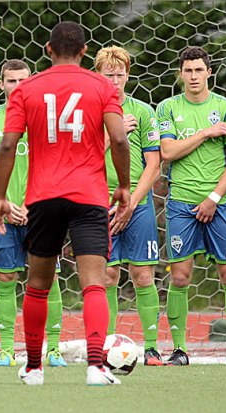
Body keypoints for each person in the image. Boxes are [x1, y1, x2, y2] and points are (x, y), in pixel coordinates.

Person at [0, 21, 132, 386]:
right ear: (85, 52)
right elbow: (119, 140)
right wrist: (124, 187)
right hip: (89, 196)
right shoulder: (102, 86)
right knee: (94, 283)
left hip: (44, 197)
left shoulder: (27, 89)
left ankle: (33, 368)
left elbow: (7, 145)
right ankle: (96, 368)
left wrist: (0, 197)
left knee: (37, 284)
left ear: (48, 49)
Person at [156, 46, 226, 366]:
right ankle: (179, 350)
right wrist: (206, 132)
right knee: (180, 277)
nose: (194, 76)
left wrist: (213, 198)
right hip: (181, 203)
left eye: (199, 70)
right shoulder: (167, 108)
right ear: (180, 74)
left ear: (209, 72)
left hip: (219, 204)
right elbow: (168, 152)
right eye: (188, 70)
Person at [0, 59, 67, 368]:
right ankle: (6, 351)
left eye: (23, 80)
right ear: (1, 84)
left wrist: (35, 205)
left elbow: (56, 164)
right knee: (6, 276)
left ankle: (53, 350)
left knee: (48, 277)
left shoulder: (47, 119)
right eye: (11, 81)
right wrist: (2, 201)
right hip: (4, 213)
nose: (17, 86)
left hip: (41, 212)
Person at [95, 47, 163, 366]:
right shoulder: (89, 112)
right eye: (109, 75)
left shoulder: (144, 111)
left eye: (120, 74)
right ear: (98, 75)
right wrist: (116, 131)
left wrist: (132, 203)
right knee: (107, 275)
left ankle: (152, 347)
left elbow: (154, 165)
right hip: (99, 202)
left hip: (137, 203)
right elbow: (83, 158)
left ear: (128, 75)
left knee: (143, 275)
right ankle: (105, 346)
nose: (115, 81)